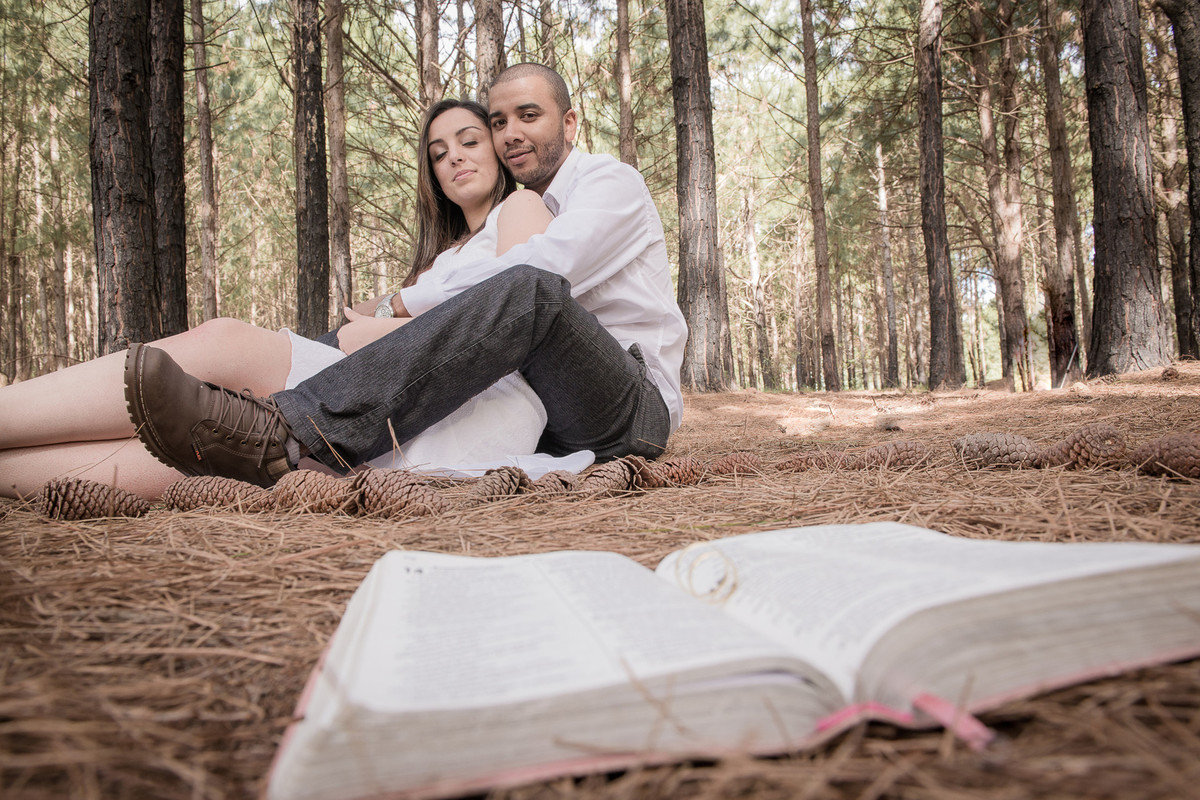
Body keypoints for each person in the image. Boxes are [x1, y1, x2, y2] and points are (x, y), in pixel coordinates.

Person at [124, 63, 688, 488]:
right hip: (559, 408)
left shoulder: (609, 184)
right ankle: (246, 409)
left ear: (569, 123)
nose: (511, 133)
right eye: (499, 122)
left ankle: (286, 434)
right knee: (347, 339)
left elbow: (544, 271)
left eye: (529, 116)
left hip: (633, 409)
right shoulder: (525, 211)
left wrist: (401, 304)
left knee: (532, 289)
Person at [0, 99, 554, 499]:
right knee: (201, 451)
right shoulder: (444, 256)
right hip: (399, 382)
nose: (454, 157)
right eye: (438, 152)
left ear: (498, 152)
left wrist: (371, 330)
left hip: (468, 396)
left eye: (469, 141)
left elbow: (510, 320)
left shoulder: (521, 208)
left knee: (226, 344)